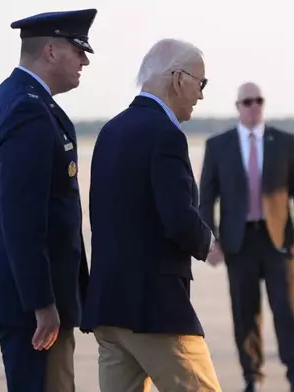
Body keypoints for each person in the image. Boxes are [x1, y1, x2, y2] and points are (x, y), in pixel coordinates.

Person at [0, 9, 97, 392]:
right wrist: (42, 303)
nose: (85, 60)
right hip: (31, 302)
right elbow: (23, 216)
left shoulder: (8, 98)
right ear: (50, 51)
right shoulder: (29, 110)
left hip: (21, 291)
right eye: (78, 49)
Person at [80, 38, 223, 392]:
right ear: (178, 79)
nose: (201, 95)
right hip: (154, 310)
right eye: (201, 83)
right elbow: (177, 217)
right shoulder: (166, 135)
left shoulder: (111, 131)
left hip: (109, 307)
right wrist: (209, 243)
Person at [199, 82, 294, 392]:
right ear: (237, 106)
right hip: (239, 243)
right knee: (245, 313)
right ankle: (252, 376)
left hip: (278, 242)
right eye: (247, 101)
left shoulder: (284, 142)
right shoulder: (218, 145)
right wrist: (210, 241)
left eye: (259, 101)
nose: (254, 106)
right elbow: (206, 198)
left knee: (287, 312)